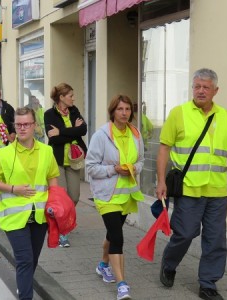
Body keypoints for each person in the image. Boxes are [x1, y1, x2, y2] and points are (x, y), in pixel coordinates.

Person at [156, 68, 227, 300]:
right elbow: (164, 147)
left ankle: (208, 283)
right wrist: (160, 181)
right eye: (197, 86)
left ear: (215, 90)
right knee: (185, 234)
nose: (201, 91)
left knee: (216, 239)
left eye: (206, 87)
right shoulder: (179, 113)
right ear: (192, 88)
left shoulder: (225, 117)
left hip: (217, 190)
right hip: (188, 188)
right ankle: (169, 264)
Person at [0, 107, 59, 300]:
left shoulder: (46, 151)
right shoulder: (5, 153)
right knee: (25, 259)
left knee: (32, 259)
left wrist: (56, 202)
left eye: (26, 124)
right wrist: (13, 189)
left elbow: (52, 177)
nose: (22, 128)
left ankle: (23, 284)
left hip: (40, 214)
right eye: (18, 124)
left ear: (34, 125)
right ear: (14, 126)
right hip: (14, 216)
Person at [86, 95, 144, 300]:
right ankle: (122, 285)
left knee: (112, 234)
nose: (124, 113)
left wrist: (133, 169)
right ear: (113, 111)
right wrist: (115, 169)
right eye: (120, 109)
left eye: (128, 109)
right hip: (106, 195)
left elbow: (141, 161)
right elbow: (91, 167)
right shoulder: (101, 135)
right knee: (118, 237)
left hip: (126, 195)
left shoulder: (135, 134)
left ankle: (103, 265)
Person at [44, 83, 87, 247]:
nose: (73, 98)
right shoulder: (49, 114)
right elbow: (53, 139)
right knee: (60, 198)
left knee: (74, 197)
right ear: (61, 97)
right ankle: (61, 232)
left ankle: (61, 220)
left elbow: (83, 130)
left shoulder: (74, 111)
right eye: (70, 95)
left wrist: (61, 131)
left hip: (75, 159)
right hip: (58, 160)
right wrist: (72, 131)